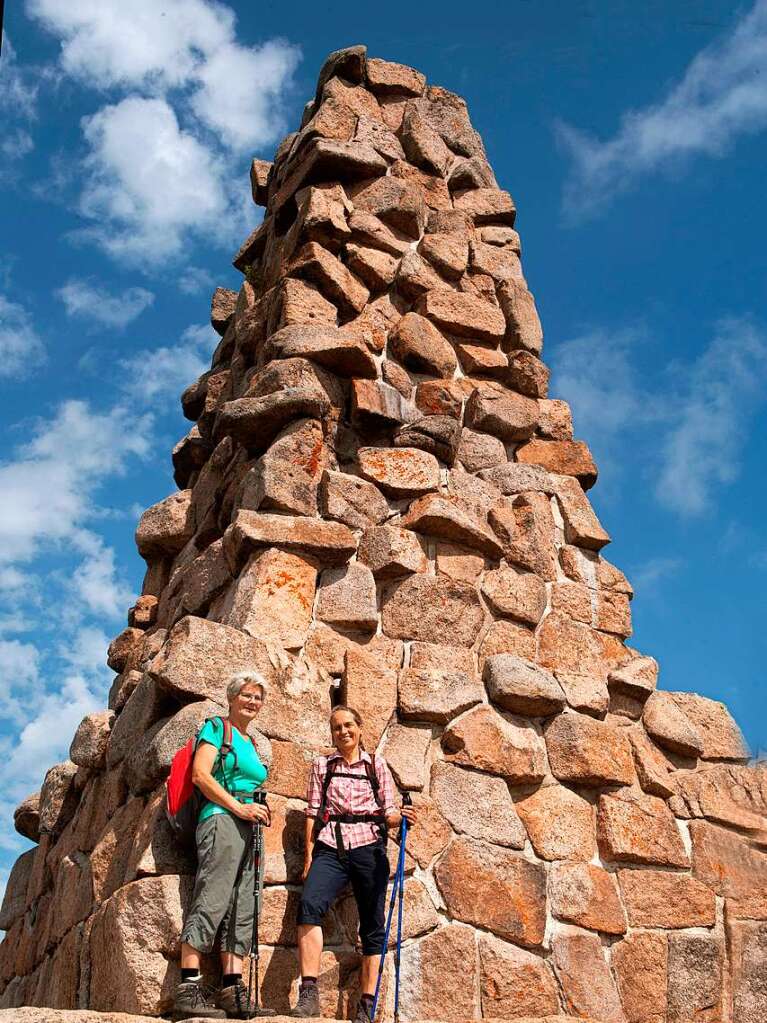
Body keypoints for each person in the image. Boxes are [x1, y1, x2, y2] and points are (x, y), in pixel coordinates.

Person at [291, 705, 417, 1023]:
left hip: (369, 849)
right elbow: (313, 812)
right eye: (336, 727)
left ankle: (366, 1005)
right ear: (331, 733)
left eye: (348, 725)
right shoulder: (323, 765)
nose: (343, 731)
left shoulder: (376, 765)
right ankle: (308, 994)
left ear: (360, 728)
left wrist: (400, 817)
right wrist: (308, 857)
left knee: (373, 925)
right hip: (330, 847)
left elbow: (388, 810)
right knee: (309, 905)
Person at [172, 671, 271, 1022]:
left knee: (243, 904)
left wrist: (254, 810)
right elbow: (201, 775)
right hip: (221, 818)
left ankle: (232, 989)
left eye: (258, 697)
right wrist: (239, 806)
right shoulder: (217, 728)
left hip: (250, 827)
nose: (252, 701)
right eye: (246, 694)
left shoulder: (252, 743)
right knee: (212, 896)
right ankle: (188, 986)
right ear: (231, 697)